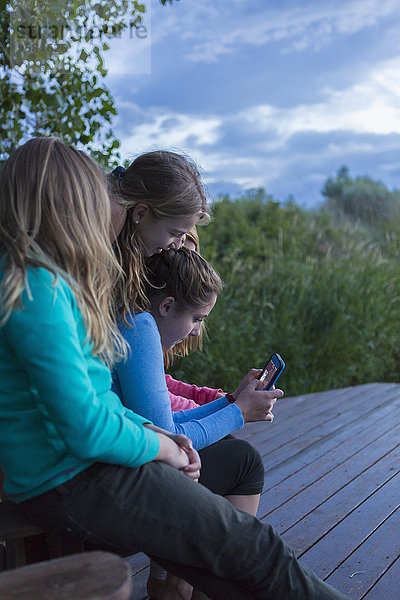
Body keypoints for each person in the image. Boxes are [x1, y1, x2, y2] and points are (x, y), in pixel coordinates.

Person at [0, 138, 349, 600]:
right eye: (95, 199)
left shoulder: (52, 285)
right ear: (65, 208)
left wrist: (156, 432)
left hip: (79, 468)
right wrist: (162, 446)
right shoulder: (37, 290)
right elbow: (85, 425)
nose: (107, 213)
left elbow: (98, 398)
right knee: (256, 547)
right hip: (74, 476)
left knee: (227, 568)